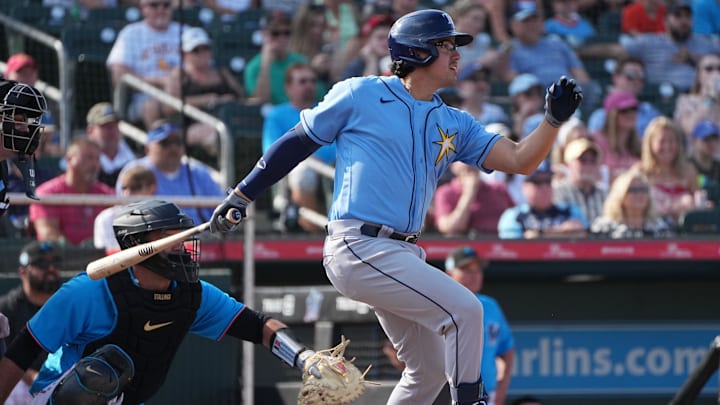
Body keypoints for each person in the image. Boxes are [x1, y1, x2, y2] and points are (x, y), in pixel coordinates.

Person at [207, 9, 582, 404]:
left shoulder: (453, 120)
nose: (456, 54)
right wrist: (243, 193)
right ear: (417, 51)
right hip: (359, 245)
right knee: (466, 312)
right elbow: (297, 142)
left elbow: (521, 160)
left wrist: (551, 123)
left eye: (455, 46)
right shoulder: (361, 93)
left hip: (401, 253)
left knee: (429, 371)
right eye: (445, 45)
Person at [0, 200, 326, 404]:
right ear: (136, 244)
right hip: (52, 398)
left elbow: (258, 326)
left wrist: (305, 359)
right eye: (169, 239)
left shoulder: (192, 293)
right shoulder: (88, 291)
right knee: (96, 376)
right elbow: (23, 348)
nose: (181, 247)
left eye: (183, 238)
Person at [579, 2, 720, 92]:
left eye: (687, 17)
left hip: (700, 95)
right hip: (660, 95)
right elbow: (614, 50)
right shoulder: (650, 42)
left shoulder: (705, 43)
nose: (683, 21)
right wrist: (578, 52)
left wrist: (694, 59)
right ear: (665, 21)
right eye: (677, 16)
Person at [262, 63, 336, 233]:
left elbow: (339, 148)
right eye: (302, 81)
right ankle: (313, 232)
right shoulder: (276, 115)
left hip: (329, 167)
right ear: (288, 88)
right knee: (303, 172)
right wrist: (308, 158)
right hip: (295, 169)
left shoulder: (326, 112)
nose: (309, 85)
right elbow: (272, 150)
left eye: (312, 81)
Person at [115, 121, 224, 225]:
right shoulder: (135, 171)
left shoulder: (198, 172)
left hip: (203, 238)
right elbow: (125, 211)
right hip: (157, 239)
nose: (173, 148)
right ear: (148, 149)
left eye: (177, 142)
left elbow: (222, 208)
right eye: (165, 143)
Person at [444, 246, 515, 405]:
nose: (474, 275)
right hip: (447, 395)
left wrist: (502, 386)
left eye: (477, 269)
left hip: (487, 395)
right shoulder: (439, 306)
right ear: (449, 274)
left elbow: (506, 349)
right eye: (466, 269)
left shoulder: (490, 306)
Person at [164, 26, 245, 157]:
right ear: (184, 54)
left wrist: (229, 100)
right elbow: (169, 106)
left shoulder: (222, 73)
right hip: (192, 126)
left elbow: (242, 97)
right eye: (196, 50)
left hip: (227, 120)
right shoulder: (178, 75)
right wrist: (205, 100)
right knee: (217, 135)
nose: (202, 54)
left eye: (205, 48)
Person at [0, 240, 62, 405]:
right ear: (23, 271)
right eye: (41, 263)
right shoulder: (7, 307)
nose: (51, 269)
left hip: (61, 380)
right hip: (19, 382)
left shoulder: (67, 303)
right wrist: (31, 376)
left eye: (54, 263)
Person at [106, 0, 181, 129]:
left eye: (166, 5)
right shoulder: (130, 33)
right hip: (144, 97)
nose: (161, 9)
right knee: (151, 106)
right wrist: (159, 81)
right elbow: (118, 75)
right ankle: (160, 147)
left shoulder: (185, 31)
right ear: (143, 8)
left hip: (184, 93)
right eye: (154, 5)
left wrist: (179, 77)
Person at [29, 138, 114, 245]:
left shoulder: (107, 194)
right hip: (61, 259)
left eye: (97, 158)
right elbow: (48, 233)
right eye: (88, 157)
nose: (94, 164)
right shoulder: (47, 194)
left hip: (102, 258)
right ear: (69, 159)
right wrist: (75, 252)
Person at [498, 160, 588, 239]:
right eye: (537, 182)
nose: (544, 188)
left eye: (548, 181)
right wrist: (563, 232)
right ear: (524, 186)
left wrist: (541, 235)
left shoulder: (569, 210)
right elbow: (512, 248)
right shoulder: (514, 216)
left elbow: (583, 234)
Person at [636, 116, 700, 224]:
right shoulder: (640, 172)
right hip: (651, 232)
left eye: (671, 141)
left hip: (685, 234)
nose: (667, 147)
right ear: (650, 144)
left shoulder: (689, 170)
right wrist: (671, 208)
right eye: (662, 141)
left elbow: (697, 201)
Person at [244, 10, 313, 105]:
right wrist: (265, 65)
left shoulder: (301, 61)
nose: (282, 38)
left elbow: (317, 97)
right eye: (275, 33)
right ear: (264, 35)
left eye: (287, 33)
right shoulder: (253, 67)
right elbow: (259, 102)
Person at [434, 162, 514, 237]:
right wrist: (469, 193)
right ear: (452, 166)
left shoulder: (499, 189)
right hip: (466, 246)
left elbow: (518, 220)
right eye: (463, 160)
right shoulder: (445, 192)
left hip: (501, 246)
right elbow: (449, 228)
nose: (470, 163)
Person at [586, 57, 661, 137]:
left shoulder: (650, 112)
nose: (636, 80)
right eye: (630, 75)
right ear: (616, 78)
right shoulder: (600, 117)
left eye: (641, 77)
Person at [4, 53, 60, 157]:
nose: (27, 77)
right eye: (22, 73)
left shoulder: (41, 108)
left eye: (31, 73)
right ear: (8, 75)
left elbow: (53, 144)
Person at [591, 168, 673, 238]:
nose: (640, 194)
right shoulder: (604, 228)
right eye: (633, 190)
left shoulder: (659, 228)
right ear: (620, 195)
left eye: (643, 190)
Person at [94, 165, 157, 252]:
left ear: (152, 188)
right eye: (124, 188)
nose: (127, 193)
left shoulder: (162, 217)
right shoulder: (106, 218)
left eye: (135, 187)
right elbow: (104, 257)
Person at [553, 137, 608, 224]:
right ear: (568, 163)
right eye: (583, 160)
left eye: (593, 161)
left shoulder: (604, 192)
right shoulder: (558, 191)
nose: (588, 165)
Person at [592, 90, 642, 181]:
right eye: (624, 110)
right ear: (612, 115)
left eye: (634, 109)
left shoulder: (640, 145)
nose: (630, 114)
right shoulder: (596, 140)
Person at [85, 102, 137, 188]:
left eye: (114, 125)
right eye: (105, 126)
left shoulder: (136, 160)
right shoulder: (81, 162)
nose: (111, 130)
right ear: (90, 131)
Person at [673, 52, 720, 143]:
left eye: (719, 69)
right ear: (699, 76)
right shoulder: (686, 100)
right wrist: (711, 99)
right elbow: (690, 128)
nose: (716, 73)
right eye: (709, 69)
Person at [688, 120, 720, 186]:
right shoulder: (686, 165)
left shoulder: (718, 166)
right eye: (706, 139)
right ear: (694, 141)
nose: (711, 143)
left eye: (714, 138)